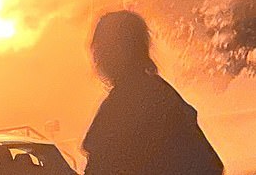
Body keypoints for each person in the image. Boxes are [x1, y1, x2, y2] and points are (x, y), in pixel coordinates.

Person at [83, 10, 224, 174]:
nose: (96, 56)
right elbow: (211, 164)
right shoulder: (162, 94)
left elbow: (99, 165)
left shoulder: (125, 103)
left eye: (101, 48)